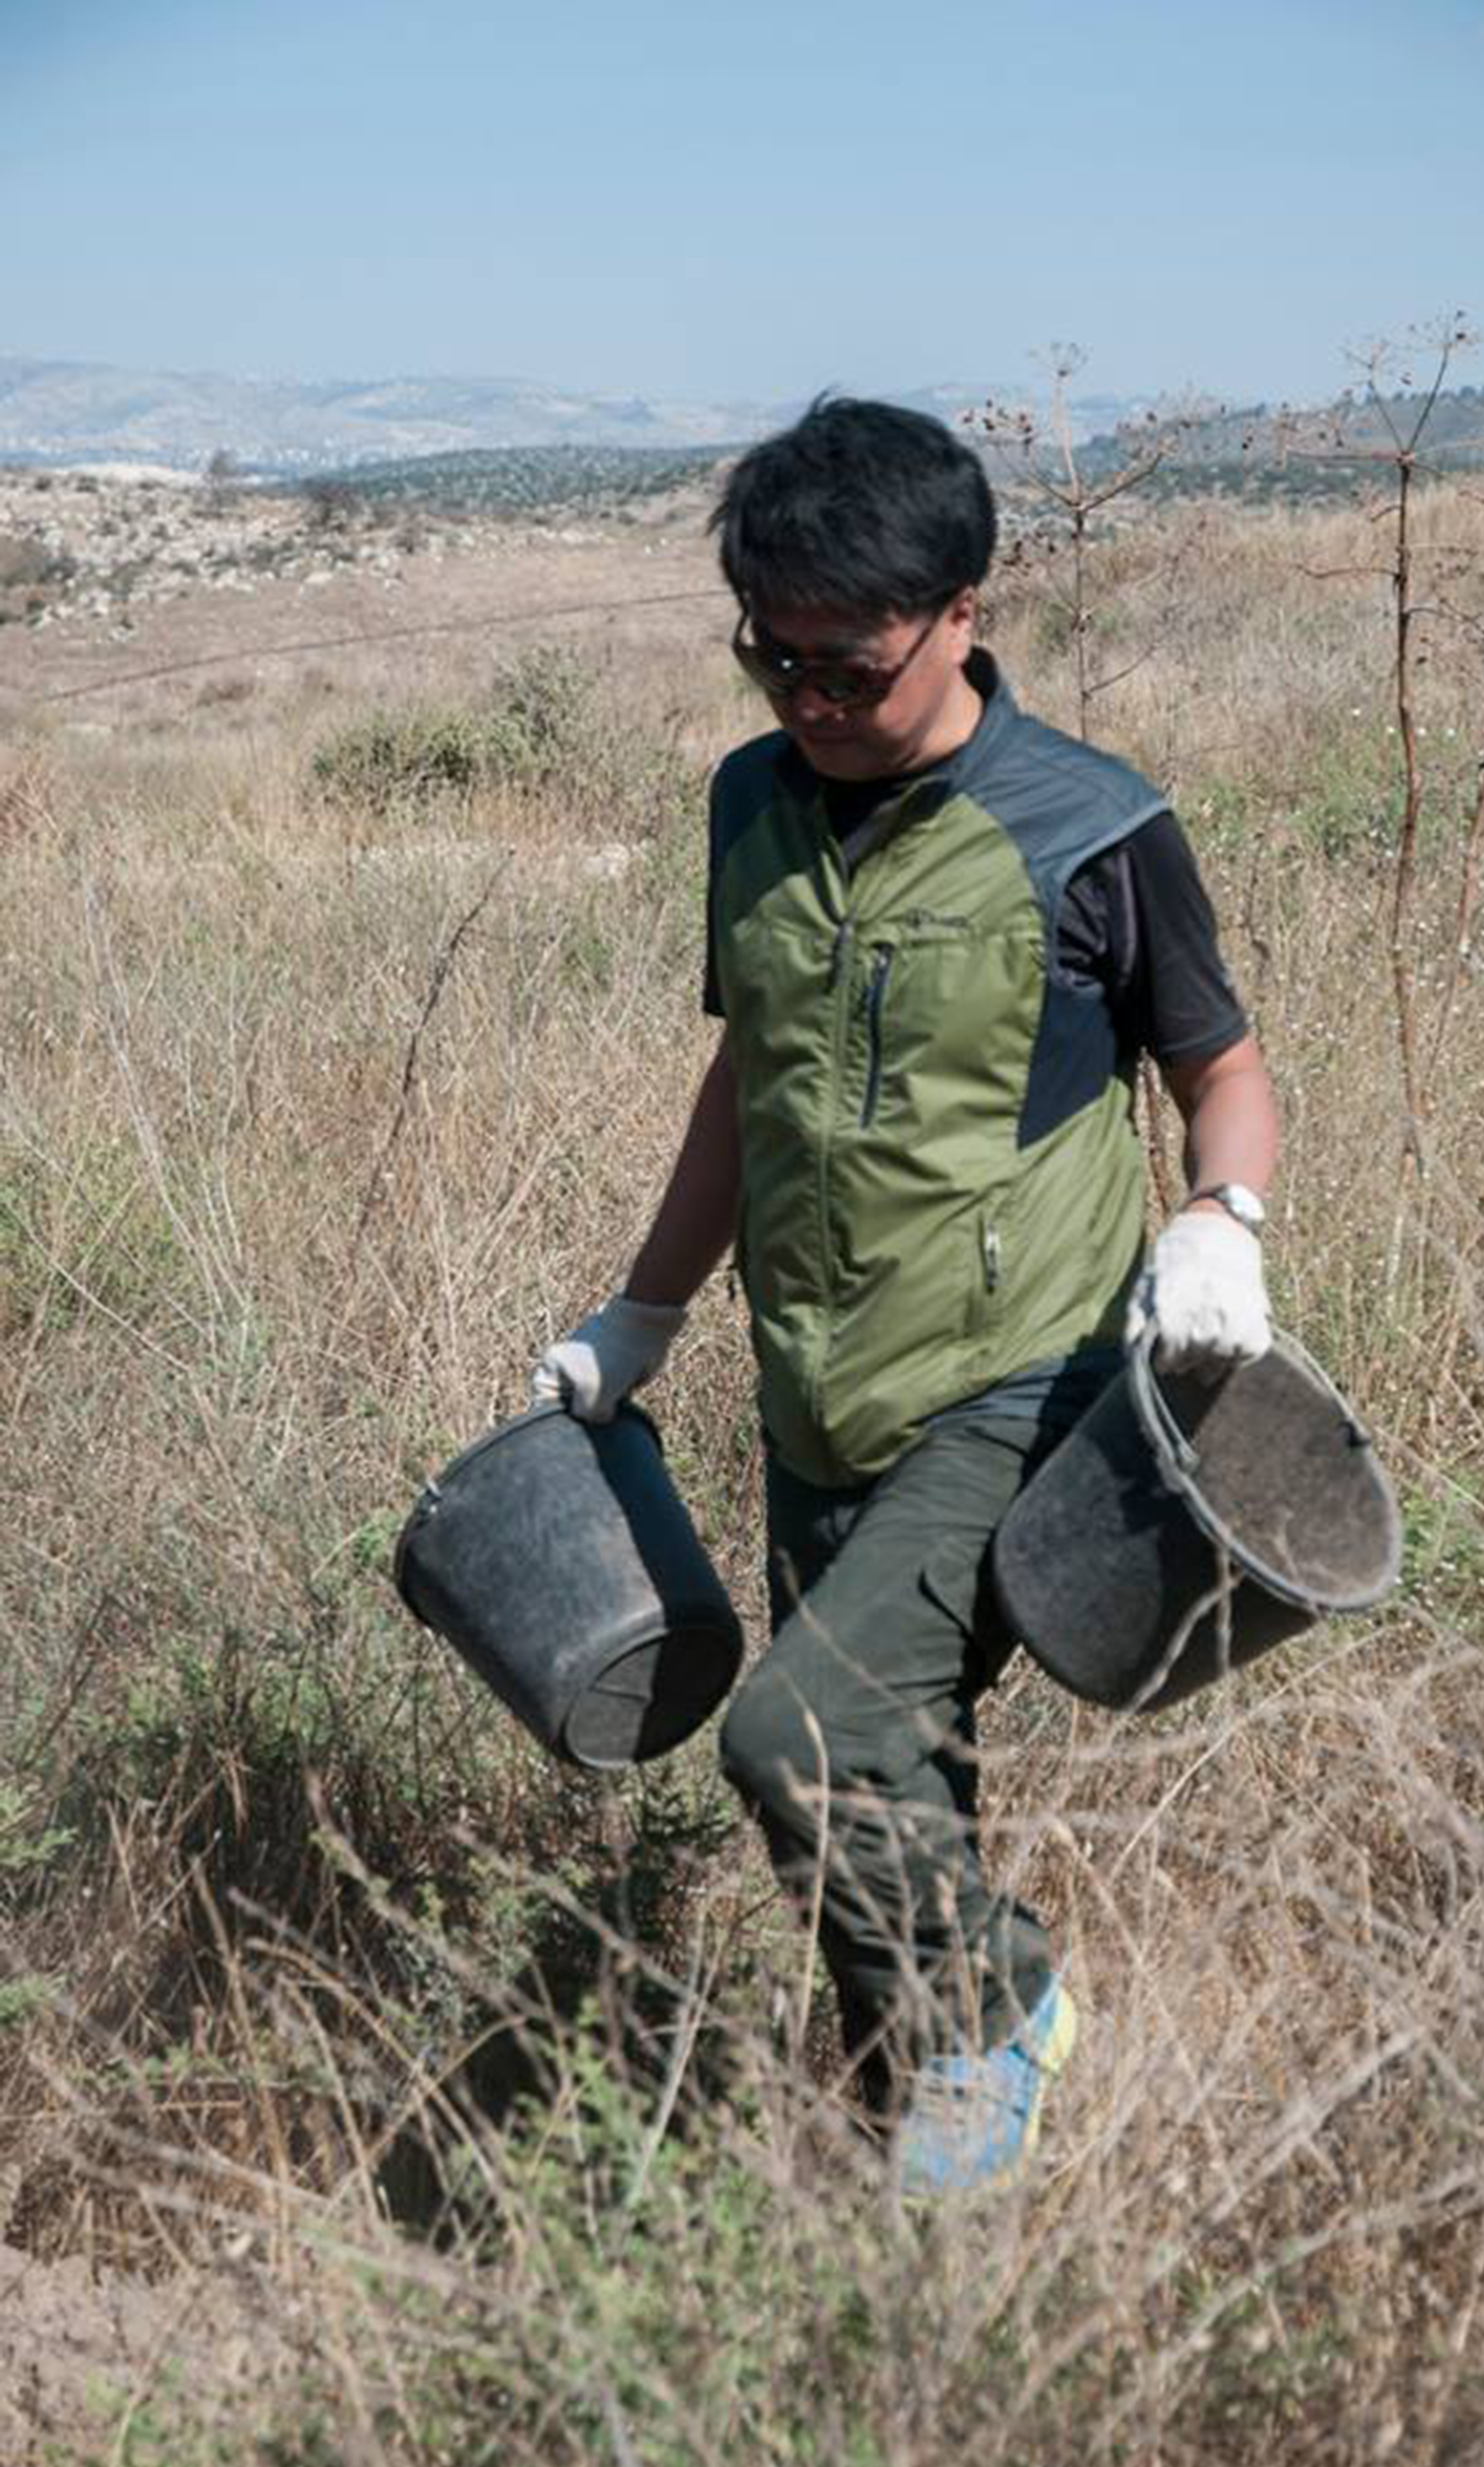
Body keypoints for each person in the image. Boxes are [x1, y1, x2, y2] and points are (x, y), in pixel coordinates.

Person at [531, 398, 1278, 2193]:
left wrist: (1224, 1216)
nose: (808, 702)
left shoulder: (1092, 829)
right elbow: (753, 1077)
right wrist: (644, 1313)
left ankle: (1003, 2010)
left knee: (803, 1734)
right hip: (818, 1377)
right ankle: (922, 2174)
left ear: (959, 609)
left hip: (1021, 1380)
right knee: (886, 1790)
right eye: (770, 659)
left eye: (847, 666)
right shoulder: (749, 804)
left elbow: (1223, 1064)